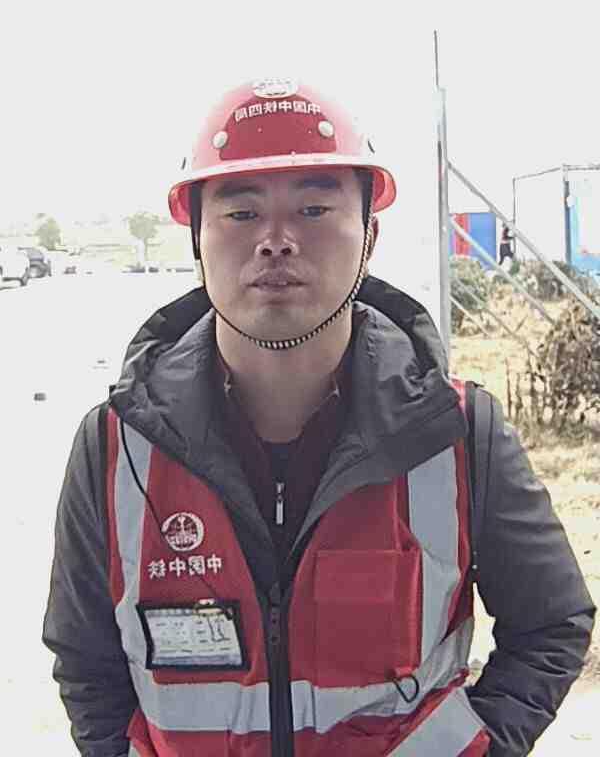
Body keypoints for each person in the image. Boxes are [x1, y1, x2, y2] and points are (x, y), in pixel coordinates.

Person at [43, 79, 595, 757]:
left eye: (312, 209)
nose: (276, 241)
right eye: (241, 213)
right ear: (196, 239)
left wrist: (479, 747)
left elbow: (550, 624)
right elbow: (87, 663)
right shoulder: (116, 447)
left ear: (369, 235)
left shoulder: (459, 432)